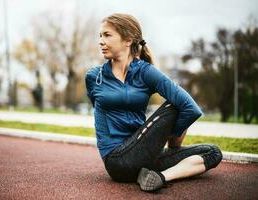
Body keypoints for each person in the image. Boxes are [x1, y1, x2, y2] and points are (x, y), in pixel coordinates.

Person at [85, 13, 222, 192]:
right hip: (116, 160)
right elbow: (99, 112)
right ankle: (157, 169)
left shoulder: (145, 72)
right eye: (100, 36)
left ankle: (159, 177)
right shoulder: (94, 77)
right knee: (175, 105)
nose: (101, 41)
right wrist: (167, 137)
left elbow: (191, 108)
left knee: (212, 152)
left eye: (107, 35)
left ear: (128, 40)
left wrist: (165, 140)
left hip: (145, 155)